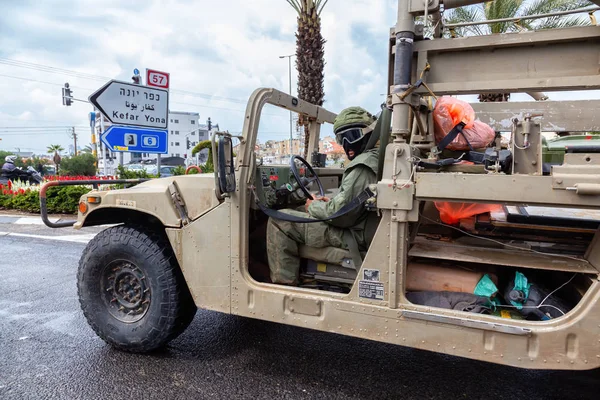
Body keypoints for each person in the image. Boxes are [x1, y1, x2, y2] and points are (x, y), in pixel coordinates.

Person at [267, 106, 380, 284]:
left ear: (368, 133)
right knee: (297, 209)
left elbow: (341, 216)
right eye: (341, 139)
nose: (346, 145)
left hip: (355, 234)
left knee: (279, 220)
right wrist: (328, 203)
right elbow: (352, 202)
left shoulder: (362, 166)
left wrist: (315, 206)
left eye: (351, 137)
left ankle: (285, 289)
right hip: (365, 226)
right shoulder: (377, 158)